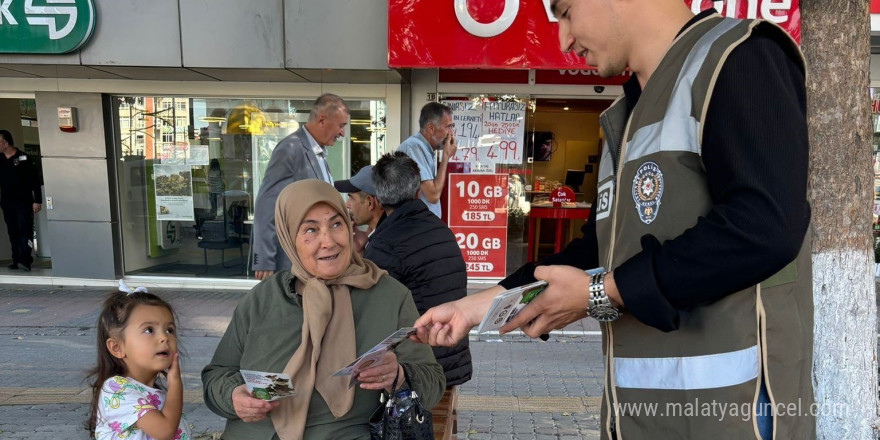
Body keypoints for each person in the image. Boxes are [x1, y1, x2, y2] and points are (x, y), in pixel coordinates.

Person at [412, 1, 812, 439]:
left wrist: (602, 293)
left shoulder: (740, 58)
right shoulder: (625, 115)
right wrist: (474, 308)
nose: (563, 40)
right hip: (638, 417)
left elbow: (765, 226)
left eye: (565, 12)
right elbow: (595, 250)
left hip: (734, 416)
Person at [202, 179, 445, 439]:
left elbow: (433, 383)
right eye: (310, 230)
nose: (328, 241)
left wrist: (398, 375)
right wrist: (233, 396)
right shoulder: (263, 299)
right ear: (288, 238)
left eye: (336, 224)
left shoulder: (389, 296)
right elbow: (217, 375)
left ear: (350, 227)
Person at [365, 152, 472, 421]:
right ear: (416, 190)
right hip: (453, 356)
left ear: (376, 198)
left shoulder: (385, 243)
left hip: (424, 369)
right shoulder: (439, 228)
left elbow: (373, 312)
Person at [252, 94, 350, 280]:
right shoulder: (290, 149)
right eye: (341, 125)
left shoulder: (318, 153)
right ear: (322, 120)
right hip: (293, 264)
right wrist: (264, 260)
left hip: (314, 260)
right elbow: (267, 205)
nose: (343, 133)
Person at [87, 282, 189, 440]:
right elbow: (165, 430)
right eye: (149, 330)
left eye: (169, 330)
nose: (164, 338)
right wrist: (175, 383)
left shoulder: (155, 395)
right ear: (117, 347)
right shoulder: (116, 390)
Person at [396, 102, 458, 218]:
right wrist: (445, 156)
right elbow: (432, 195)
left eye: (451, 127)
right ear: (431, 128)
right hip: (416, 226)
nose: (451, 133)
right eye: (447, 127)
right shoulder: (414, 147)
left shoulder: (424, 148)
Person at [0, 130, 42, 272]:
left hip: (24, 202)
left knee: (25, 230)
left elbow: (35, 181)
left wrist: (37, 200)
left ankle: (25, 260)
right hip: (7, 202)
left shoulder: (24, 158)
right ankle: (16, 259)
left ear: (5, 143)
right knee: (13, 232)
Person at [333, 165, 383, 253]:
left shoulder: (382, 246)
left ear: (370, 202)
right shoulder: (380, 237)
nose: (347, 204)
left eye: (351, 198)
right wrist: (359, 250)